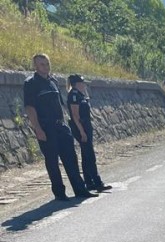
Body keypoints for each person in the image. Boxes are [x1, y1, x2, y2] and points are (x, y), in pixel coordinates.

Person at [23, 54, 96, 202]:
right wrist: (38, 128)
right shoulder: (31, 83)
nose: (45, 66)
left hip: (61, 126)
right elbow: (30, 108)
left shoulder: (53, 81)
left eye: (47, 63)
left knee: (71, 158)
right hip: (46, 127)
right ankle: (59, 193)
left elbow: (60, 105)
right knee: (52, 161)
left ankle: (80, 190)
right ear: (35, 66)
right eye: (42, 64)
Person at [67, 74, 111, 193]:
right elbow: (75, 116)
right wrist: (82, 131)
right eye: (82, 83)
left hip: (85, 126)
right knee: (90, 156)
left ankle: (89, 182)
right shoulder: (74, 95)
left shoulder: (80, 95)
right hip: (80, 127)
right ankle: (97, 183)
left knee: (86, 155)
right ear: (76, 84)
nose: (84, 85)